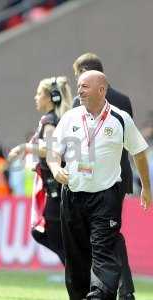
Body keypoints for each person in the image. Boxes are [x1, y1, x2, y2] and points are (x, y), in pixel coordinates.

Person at [48, 71, 151, 300]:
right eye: (79, 86)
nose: (79, 91)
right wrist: (56, 169)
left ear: (101, 90)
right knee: (75, 257)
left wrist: (146, 187)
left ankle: (99, 296)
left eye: (84, 86)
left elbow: (139, 154)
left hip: (106, 197)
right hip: (72, 196)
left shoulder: (121, 118)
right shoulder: (70, 117)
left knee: (103, 251)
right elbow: (53, 152)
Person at [72, 52, 135, 300]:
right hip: (119, 176)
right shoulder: (124, 99)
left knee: (103, 235)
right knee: (111, 233)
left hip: (96, 179)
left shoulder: (82, 102)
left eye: (79, 76)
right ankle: (123, 289)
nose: (78, 85)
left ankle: (109, 287)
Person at [8, 76, 73, 265]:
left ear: (49, 97)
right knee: (50, 235)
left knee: (45, 232)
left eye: (38, 94)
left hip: (54, 188)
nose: (35, 97)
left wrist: (24, 147)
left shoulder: (50, 120)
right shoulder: (59, 119)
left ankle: (79, 274)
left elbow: (51, 149)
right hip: (55, 186)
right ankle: (78, 272)